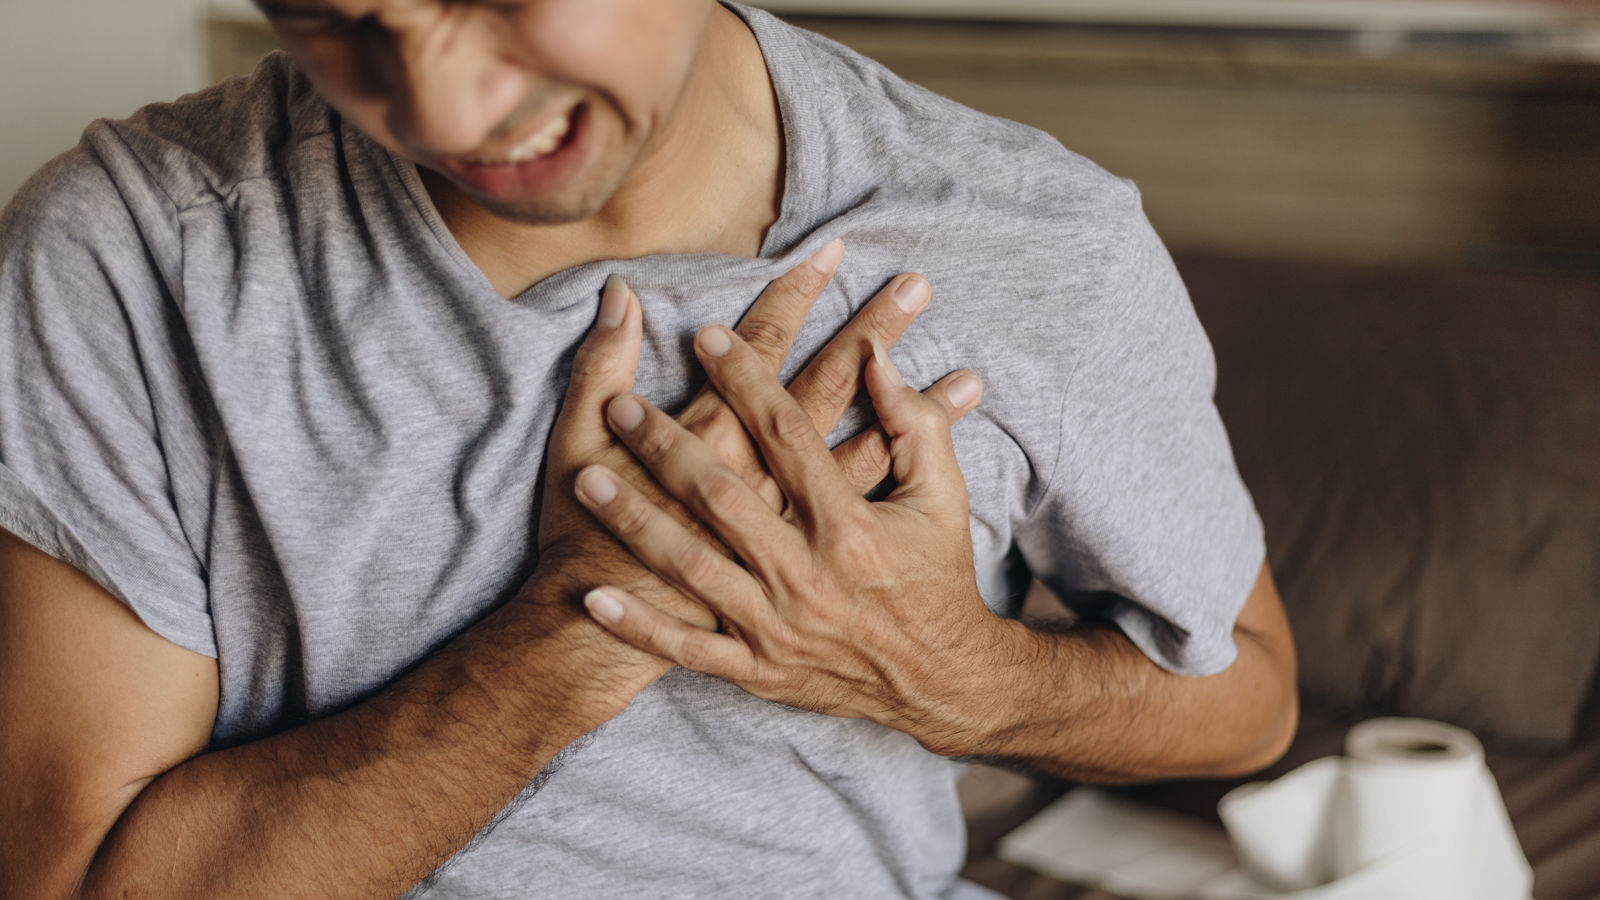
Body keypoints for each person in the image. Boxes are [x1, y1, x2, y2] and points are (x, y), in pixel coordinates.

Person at [0, 1, 1298, 897]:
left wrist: (950, 671)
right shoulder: (130, 258)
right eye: (341, 19)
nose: (446, 103)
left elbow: (1251, 699)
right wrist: (574, 633)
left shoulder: (1043, 239)